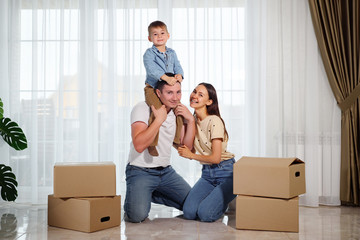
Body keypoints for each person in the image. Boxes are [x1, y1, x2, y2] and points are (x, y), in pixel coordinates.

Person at [124, 80, 195, 223]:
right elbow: (139, 145)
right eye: (169, 92)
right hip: (140, 170)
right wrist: (158, 120)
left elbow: (185, 147)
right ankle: (141, 193)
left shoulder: (177, 112)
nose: (175, 98)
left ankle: (148, 193)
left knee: (194, 206)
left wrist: (191, 120)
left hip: (165, 172)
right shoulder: (142, 108)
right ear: (158, 93)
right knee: (137, 216)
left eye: (178, 92)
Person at [178, 82, 236, 222]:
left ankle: (222, 201)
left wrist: (191, 155)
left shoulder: (214, 121)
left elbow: (216, 158)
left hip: (226, 172)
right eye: (194, 91)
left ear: (209, 102)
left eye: (200, 94)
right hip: (207, 174)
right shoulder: (192, 121)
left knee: (205, 215)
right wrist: (188, 121)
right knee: (189, 212)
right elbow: (186, 148)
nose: (194, 95)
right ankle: (216, 199)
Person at [143, 20, 184, 156]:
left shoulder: (172, 53)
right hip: (153, 88)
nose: (159, 36)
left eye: (162, 33)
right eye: (155, 34)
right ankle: (151, 143)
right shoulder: (149, 54)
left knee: (179, 111)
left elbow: (177, 65)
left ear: (168, 35)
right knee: (156, 112)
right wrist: (165, 78)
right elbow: (152, 69)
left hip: (169, 88)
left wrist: (179, 76)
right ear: (150, 38)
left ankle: (177, 140)